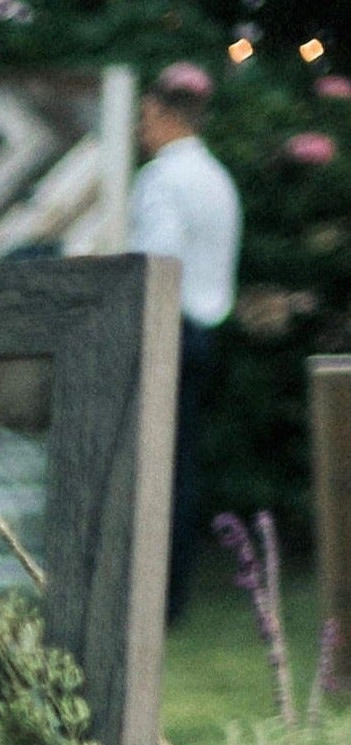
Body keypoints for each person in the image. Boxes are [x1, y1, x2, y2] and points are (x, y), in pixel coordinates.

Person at [128, 62, 241, 625]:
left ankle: (156, 597)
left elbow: (154, 262)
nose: (141, 131)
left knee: (154, 468)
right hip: (205, 328)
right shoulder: (217, 178)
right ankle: (173, 595)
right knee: (182, 466)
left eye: (147, 118)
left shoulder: (162, 178)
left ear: (169, 116)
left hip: (168, 328)